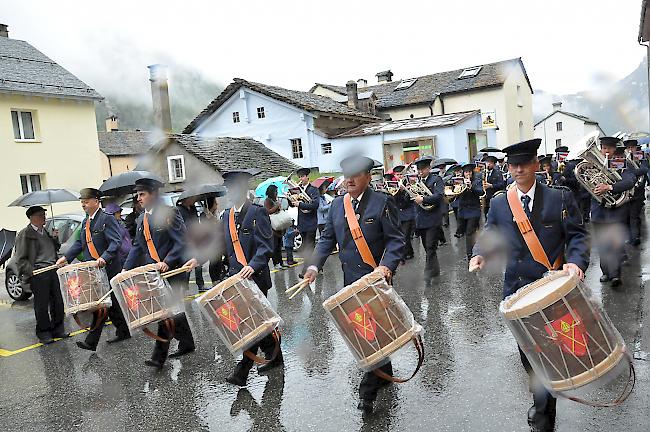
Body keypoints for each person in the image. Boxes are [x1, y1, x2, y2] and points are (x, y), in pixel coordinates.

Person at [470, 138, 590, 432]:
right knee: (528, 353)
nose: (519, 169)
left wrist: (576, 261)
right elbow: (490, 233)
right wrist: (479, 254)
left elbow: (577, 236)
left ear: (536, 164)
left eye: (525, 163)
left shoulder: (559, 198)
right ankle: (543, 400)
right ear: (508, 168)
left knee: (552, 349)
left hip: (553, 289)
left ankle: (543, 410)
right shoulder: (500, 202)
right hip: (518, 291)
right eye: (513, 165)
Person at [303, 155, 404, 414]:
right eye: (346, 175)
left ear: (368, 177)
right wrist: (314, 266)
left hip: (377, 280)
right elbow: (327, 239)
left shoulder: (382, 202)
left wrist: (386, 266)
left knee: (373, 331)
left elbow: (396, 241)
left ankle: (368, 390)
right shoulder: (338, 206)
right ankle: (383, 372)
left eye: (355, 175)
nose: (349, 180)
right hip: (351, 283)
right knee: (366, 332)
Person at [208, 168, 283, 386]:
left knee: (252, 323)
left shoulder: (257, 212)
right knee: (258, 323)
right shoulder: (227, 216)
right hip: (236, 278)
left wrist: (252, 265)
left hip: (255, 276)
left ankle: (242, 371)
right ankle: (276, 357)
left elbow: (266, 245)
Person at [123, 178, 196, 369]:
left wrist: (167, 261)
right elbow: (138, 247)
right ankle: (187, 343)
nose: (138, 198)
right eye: (137, 195)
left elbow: (181, 242)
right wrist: (125, 269)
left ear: (153, 195)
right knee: (173, 310)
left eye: (142, 194)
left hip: (175, 270)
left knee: (166, 313)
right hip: (156, 273)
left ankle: (158, 357)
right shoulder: (141, 219)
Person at [56, 189, 131, 350]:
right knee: (111, 303)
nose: (83, 204)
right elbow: (80, 244)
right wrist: (67, 257)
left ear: (96, 201)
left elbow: (115, 242)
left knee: (101, 305)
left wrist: (104, 257)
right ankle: (123, 330)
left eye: (86, 201)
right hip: (94, 270)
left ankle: (91, 341)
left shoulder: (106, 219)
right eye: (82, 201)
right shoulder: (86, 222)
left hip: (108, 267)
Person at [14, 206, 67, 344]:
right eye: (41, 215)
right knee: (42, 305)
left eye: (44, 214)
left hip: (52, 270)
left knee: (58, 302)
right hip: (38, 273)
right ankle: (44, 333)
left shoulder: (45, 231)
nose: (44, 217)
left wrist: (55, 239)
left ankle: (58, 329)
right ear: (33, 217)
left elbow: (53, 249)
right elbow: (20, 258)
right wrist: (30, 271)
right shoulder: (25, 234)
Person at [589, 137, 636, 287]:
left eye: (609, 148)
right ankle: (606, 273)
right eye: (603, 148)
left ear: (615, 149)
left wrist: (609, 187)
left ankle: (615, 275)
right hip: (598, 210)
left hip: (616, 210)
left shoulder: (620, 164)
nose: (606, 151)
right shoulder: (592, 165)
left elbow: (630, 180)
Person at [412, 155, 444, 279]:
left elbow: (439, 196)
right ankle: (435, 270)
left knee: (430, 246)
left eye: (423, 169)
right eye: (418, 169)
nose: (420, 172)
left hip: (432, 219)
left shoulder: (436, 180)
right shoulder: (417, 182)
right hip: (420, 220)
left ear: (428, 168)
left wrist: (423, 199)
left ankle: (429, 272)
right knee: (427, 247)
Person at [289, 167, 319, 276]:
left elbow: (315, 205)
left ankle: (305, 270)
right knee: (305, 247)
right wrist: (291, 199)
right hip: (302, 222)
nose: (301, 179)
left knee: (309, 247)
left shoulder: (313, 190)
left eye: (302, 176)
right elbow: (292, 204)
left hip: (311, 222)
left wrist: (300, 204)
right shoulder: (297, 189)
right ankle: (317, 265)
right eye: (299, 177)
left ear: (307, 177)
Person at [176, 196, 206, 292]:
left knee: (198, 263)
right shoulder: (179, 210)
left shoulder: (193, 209)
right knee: (187, 265)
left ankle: (200, 284)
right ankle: (185, 288)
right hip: (186, 242)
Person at [455, 163, 484, 260]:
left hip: (473, 210)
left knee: (469, 233)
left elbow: (481, 192)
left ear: (472, 173)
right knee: (465, 232)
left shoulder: (477, 181)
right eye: (466, 172)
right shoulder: (459, 182)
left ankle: (470, 254)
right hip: (463, 211)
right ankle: (473, 251)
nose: (468, 174)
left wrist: (471, 187)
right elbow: (455, 193)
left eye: (469, 172)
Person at [624, 139, 648, 246]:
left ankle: (635, 237)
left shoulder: (640, 156)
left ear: (635, 148)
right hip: (626, 192)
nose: (630, 150)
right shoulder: (623, 159)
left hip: (638, 191)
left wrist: (631, 172)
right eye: (628, 148)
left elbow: (644, 169)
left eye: (632, 148)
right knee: (628, 216)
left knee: (634, 215)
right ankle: (632, 236)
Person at [392, 165, 416, 263]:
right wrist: (397, 192)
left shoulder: (409, 183)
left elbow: (410, 200)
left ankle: (403, 255)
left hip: (408, 212)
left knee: (405, 235)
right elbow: (393, 200)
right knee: (400, 235)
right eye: (397, 175)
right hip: (398, 214)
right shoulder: (392, 185)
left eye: (401, 174)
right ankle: (409, 252)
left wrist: (404, 191)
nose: (400, 177)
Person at [264, 184, 287, 269]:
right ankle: (276, 263)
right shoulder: (268, 201)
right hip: (272, 227)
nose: (276, 193)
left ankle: (281, 262)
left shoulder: (275, 200)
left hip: (278, 227)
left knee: (279, 246)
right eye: (275, 191)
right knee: (275, 246)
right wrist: (276, 206)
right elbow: (268, 211)